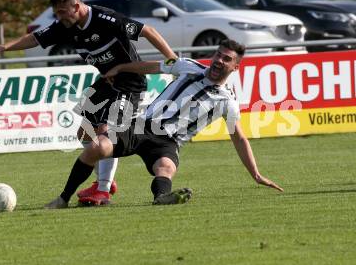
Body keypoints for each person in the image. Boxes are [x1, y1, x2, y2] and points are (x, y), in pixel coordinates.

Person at [0, 0, 177, 206]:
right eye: (56, 12)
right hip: (106, 82)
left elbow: (148, 31)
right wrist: (4, 47)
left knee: (105, 134)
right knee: (83, 134)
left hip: (129, 84)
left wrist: (172, 60)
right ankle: (105, 180)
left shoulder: (106, 19)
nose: (59, 17)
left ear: (77, 6)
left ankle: (103, 189)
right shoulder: (65, 25)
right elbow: (35, 39)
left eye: (62, 11)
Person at [44, 39, 284, 209]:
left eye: (227, 58)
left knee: (166, 168)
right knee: (97, 147)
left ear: (235, 67)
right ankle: (63, 198)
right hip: (142, 126)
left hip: (168, 143)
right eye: (218, 55)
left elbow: (239, 138)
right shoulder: (189, 67)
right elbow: (151, 66)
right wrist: (121, 67)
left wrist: (256, 174)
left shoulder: (227, 102)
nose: (219, 60)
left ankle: (162, 198)